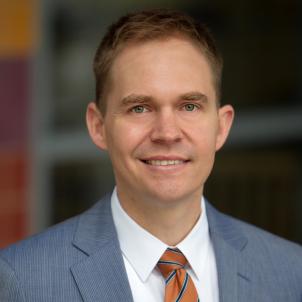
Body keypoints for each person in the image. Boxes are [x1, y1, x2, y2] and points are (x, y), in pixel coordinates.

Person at [0, 9, 301, 302]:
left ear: (221, 127)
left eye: (189, 106)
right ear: (98, 126)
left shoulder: (290, 272)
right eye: (140, 108)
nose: (167, 133)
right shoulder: (22, 280)